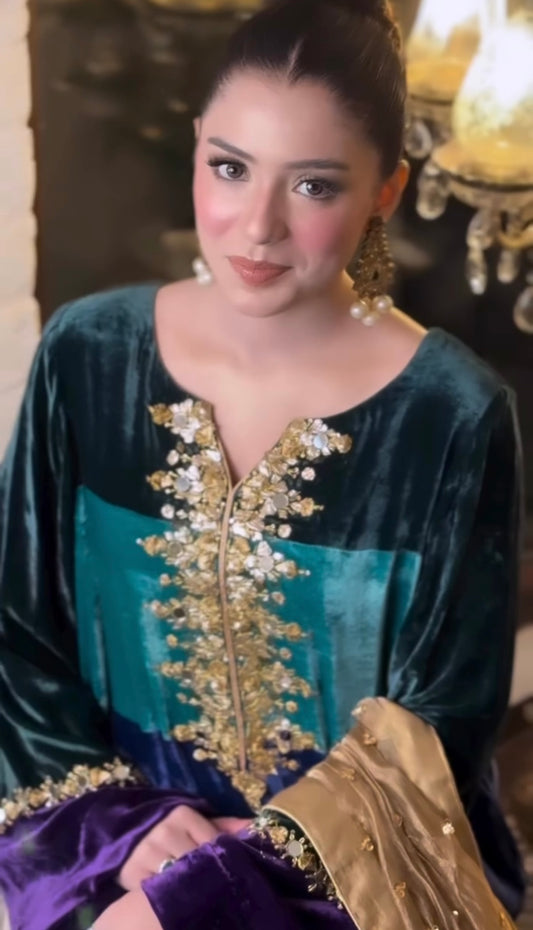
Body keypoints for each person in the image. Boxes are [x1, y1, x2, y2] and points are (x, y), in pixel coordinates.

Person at [0, 0, 526, 928]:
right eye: (230, 167)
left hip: (354, 881)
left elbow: (442, 719)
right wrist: (121, 829)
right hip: (115, 843)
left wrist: (210, 888)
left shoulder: (450, 414)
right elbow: (19, 632)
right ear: (196, 148)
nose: (257, 227)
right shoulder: (89, 357)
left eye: (314, 185)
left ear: (384, 193)